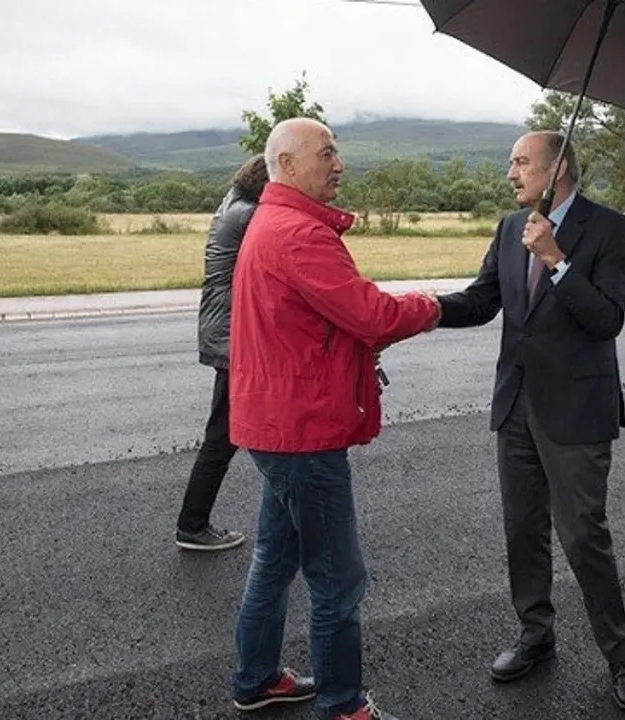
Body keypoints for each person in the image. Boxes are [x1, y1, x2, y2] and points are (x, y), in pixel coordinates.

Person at [229, 118, 439, 720]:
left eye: (337, 151)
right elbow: (369, 315)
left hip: (276, 421)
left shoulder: (272, 222)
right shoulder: (298, 233)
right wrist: (431, 307)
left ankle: (256, 678)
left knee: (275, 559)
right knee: (337, 580)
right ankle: (344, 705)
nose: (339, 163)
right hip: (301, 430)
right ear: (287, 165)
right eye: (327, 153)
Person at [432, 130, 625, 711]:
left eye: (522, 162)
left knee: (584, 538)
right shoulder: (509, 228)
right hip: (516, 405)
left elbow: (607, 320)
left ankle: (620, 655)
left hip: (577, 411)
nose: (511, 173)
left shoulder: (610, 229)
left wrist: (556, 260)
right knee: (522, 531)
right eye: (511, 163)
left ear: (560, 169)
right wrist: (421, 311)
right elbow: (482, 301)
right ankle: (535, 634)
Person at [174, 154, 268, 552]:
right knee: (225, 436)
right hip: (233, 335)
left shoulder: (234, 205)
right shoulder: (248, 216)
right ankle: (192, 525)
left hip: (225, 330)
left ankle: (194, 523)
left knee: (235, 432)